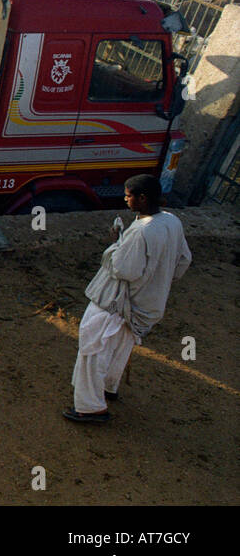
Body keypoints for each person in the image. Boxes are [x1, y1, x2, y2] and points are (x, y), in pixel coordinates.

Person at [64, 174, 191, 424]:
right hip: (145, 304)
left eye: (128, 195)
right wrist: (158, 281)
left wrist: (115, 244)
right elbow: (183, 260)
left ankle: (91, 407)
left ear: (143, 198)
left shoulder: (142, 231)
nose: (125, 199)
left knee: (93, 348)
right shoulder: (172, 221)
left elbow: (125, 270)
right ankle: (109, 387)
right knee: (120, 346)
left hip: (116, 303)